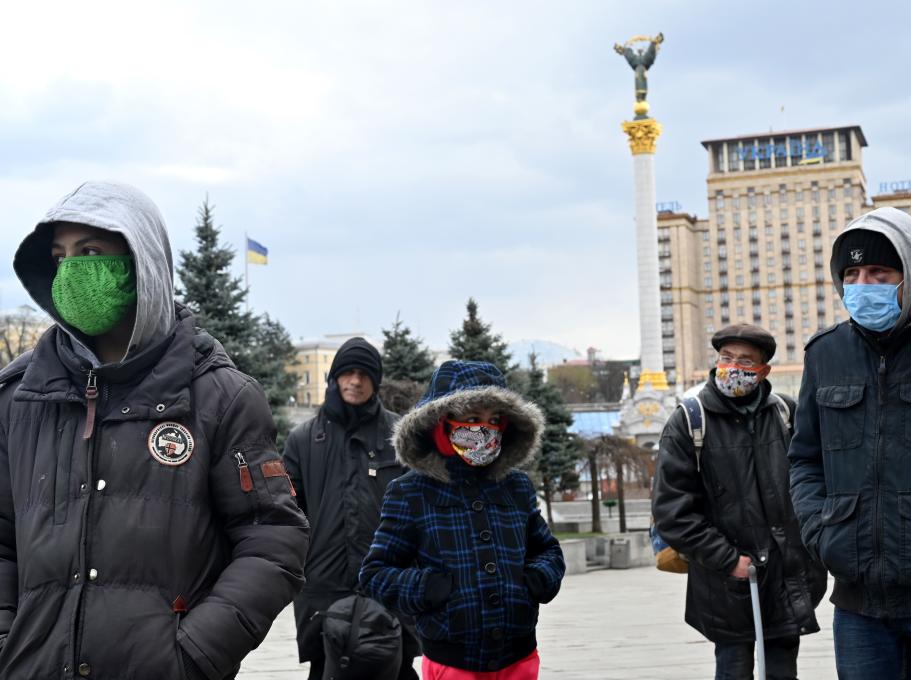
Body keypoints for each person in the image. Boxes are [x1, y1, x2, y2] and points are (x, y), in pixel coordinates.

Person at [0, 181, 308, 679]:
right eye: (60, 257)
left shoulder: (219, 396)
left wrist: (194, 654)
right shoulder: (19, 397)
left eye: (91, 252)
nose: (71, 271)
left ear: (140, 261)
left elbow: (272, 539)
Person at [788, 207, 911, 679]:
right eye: (852, 273)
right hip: (859, 604)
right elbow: (804, 459)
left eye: (879, 271)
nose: (864, 284)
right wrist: (823, 534)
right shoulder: (825, 354)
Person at [359, 361, 565, 680]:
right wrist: (428, 588)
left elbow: (547, 551)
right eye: (472, 418)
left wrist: (536, 580)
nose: (485, 429)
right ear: (442, 422)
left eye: (495, 419)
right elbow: (375, 574)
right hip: (452, 662)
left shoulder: (516, 487)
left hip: (519, 657)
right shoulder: (411, 492)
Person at [653, 324, 826, 680]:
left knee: (783, 669)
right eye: (726, 358)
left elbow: (813, 482)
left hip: (785, 575)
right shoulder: (689, 420)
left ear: (763, 371)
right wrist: (728, 559)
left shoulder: (785, 414)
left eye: (745, 361)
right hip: (728, 580)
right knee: (733, 668)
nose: (733, 367)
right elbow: (672, 511)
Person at [283, 337, 420, 679]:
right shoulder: (303, 440)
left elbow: (421, 510)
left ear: (376, 381)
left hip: (388, 584)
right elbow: (285, 514)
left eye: (364, 374)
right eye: (347, 373)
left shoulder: (399, 436)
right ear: (335, 377)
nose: (355, 381)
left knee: (396, 669)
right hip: (325, 589)